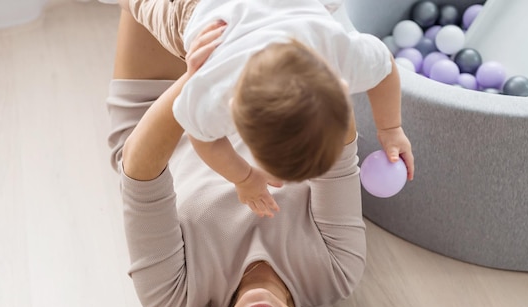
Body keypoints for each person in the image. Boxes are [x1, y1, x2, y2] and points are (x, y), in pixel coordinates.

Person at [106, 11, 399, 307]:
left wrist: (196, 82)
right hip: (269, 91)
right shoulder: (335, 272)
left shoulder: (176, 303)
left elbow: (140, 173)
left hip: (161, 111)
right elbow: (339, 145)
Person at [112, 0, 415, 218]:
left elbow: (385, 65)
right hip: (196, 9)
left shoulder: (340, 52)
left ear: (342, 85)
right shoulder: (216, 91)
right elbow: (201, 135)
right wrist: (244, 178)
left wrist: (391, 129)